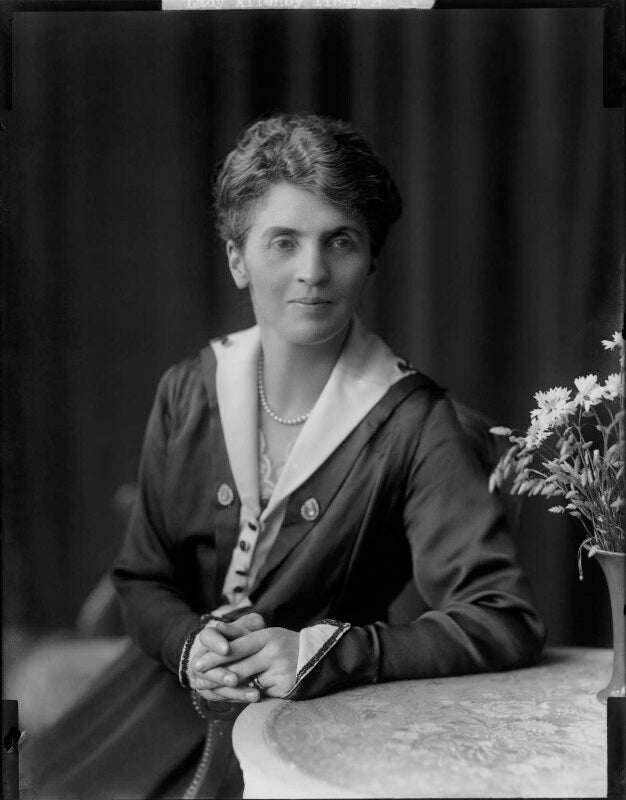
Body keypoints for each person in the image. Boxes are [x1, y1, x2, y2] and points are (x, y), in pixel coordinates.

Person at [33, 113, 545, 799]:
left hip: (307, 724)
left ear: (371, 260)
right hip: (155, 699)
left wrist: (320, 651)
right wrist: (188, 645)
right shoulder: (188, 391)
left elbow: (503, 617)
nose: (313, 272)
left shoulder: (416, 422)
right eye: (283, 242)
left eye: (341, 241)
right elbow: (142, 578)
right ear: (237, 259)